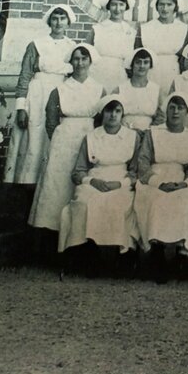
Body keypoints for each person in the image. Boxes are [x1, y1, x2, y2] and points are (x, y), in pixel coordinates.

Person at [28, 44, 106, 247]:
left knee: (84, 185)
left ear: (90, 61)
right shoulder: (60, 89)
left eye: (84, 59)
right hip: (64, 141)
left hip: (89, 138)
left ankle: (81, 239)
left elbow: (101, 120)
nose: (80, 63)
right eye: (76, 59)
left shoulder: (99, 89)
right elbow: (51, 119)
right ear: (71, 62)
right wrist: (59, 139)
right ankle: (51, 238)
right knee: (58, 186)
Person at [4, 4, 77, 187]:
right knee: (33, 139)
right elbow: (25, 76)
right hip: (36, 96)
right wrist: (21, 107)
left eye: (62, 18)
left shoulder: (73, 47)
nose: (58, 22)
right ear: (49, 21)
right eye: (55, 18)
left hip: (60, 96)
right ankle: (26, 185)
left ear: (68, 22)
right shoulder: (36, 45)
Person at [58, 96, 141, 255]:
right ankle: (89, 249)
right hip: (94, 180)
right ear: (102, 113)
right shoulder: (91, 137)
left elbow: (135, 171)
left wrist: (120, 184)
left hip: (121, 181)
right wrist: (92, 181)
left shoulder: (132, 137)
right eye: (109, 111)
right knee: (84, 201)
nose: (113, 115)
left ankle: (120, 255)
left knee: (118, 203)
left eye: (118, 111)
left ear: (122, 114)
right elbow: (78, 171)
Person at [132, 92, 188, 282]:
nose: (175, 112)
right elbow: (143, 163)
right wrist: (157, 183)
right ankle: (157, 252)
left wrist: (184, 184)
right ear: (166, 110)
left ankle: (180, 254)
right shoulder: (154, 132)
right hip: (154, 178)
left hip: (179, 180)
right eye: (172, 107)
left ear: (186, 111)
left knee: (185, 200)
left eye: (180, 108)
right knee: (156, 200)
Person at [138, 0, 188, 97]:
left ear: (175, 7)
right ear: (157, 7)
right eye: (161, 4)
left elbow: (184, 58)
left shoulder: (182, 28)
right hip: (151, 71)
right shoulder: (147, 27)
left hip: (173, 71)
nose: (165, 8)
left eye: (169, 4)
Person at [88, 0, 138, 93]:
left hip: (119, 73)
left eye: (121, 5)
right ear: (109, 7)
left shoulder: (130, 31)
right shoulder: (98, 28)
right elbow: (86, 51)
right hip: (98, 72)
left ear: (126, 7)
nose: (117, 9)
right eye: (114, 4)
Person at [112, 47, 162, 131]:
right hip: (124, 132)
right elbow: (112, 114)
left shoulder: (156, 89)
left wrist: (149, 132)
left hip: (148, 133)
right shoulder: (120, 89)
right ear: (132, 65)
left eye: (146, 62)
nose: (142, 66)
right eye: (138, 62)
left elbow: (161, 117)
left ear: (150, 66)